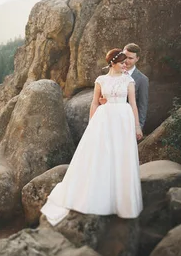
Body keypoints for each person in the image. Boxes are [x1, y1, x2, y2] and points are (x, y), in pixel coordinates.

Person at [40, 48, 143, 225]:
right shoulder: (101, 80)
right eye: (122, 62)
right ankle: (100, 195)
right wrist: (92, 123)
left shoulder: (129, 80)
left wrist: (137, 126)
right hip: (104, 119)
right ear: (113, 63)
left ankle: (122, 201)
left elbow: (133, 104)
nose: (125, 65)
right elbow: (95, 102)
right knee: (102, 156)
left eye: (126, 61)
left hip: (123, 119)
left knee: (121, 156)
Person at [99, 43, 149, 130]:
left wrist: (138, 127)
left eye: (130, 58)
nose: (126, 60)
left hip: (127, 122)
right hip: (108, 119)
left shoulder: (142, 79)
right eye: (125, 56)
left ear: (137, 59)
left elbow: (142, 106)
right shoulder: (109, 75)